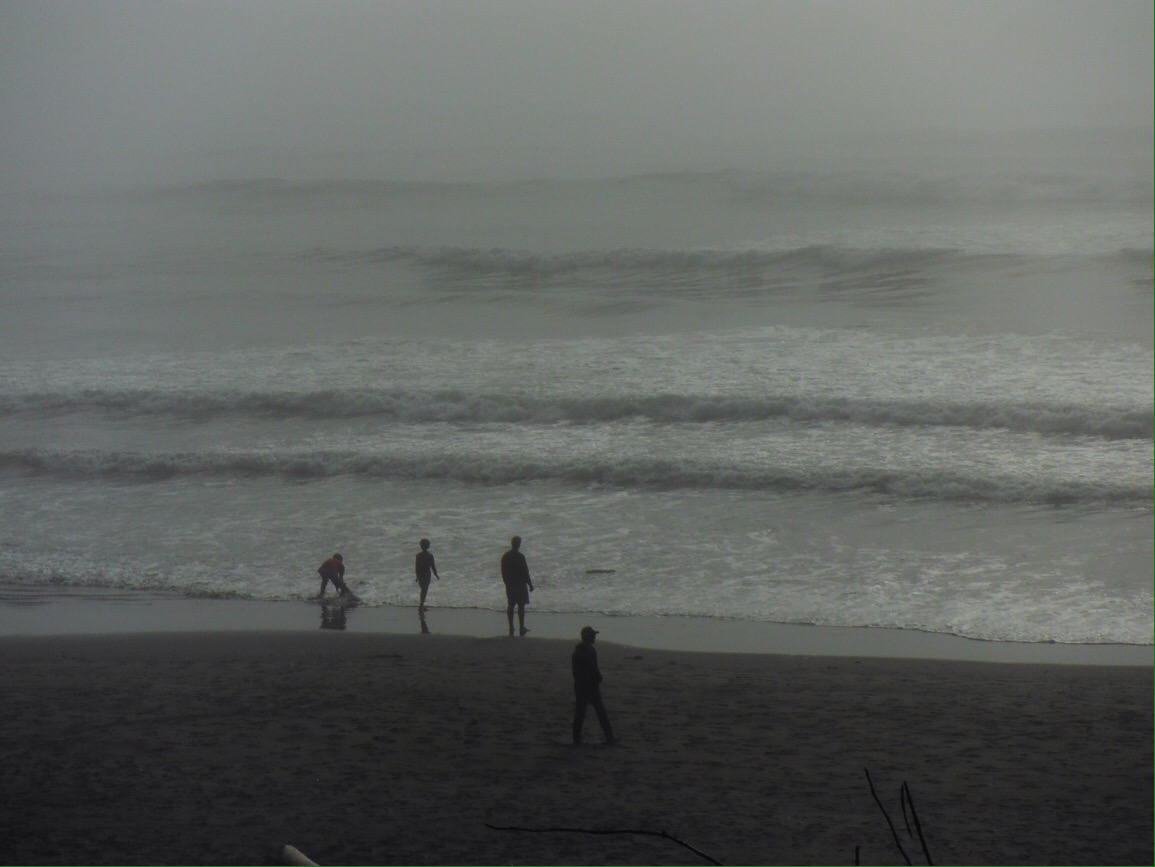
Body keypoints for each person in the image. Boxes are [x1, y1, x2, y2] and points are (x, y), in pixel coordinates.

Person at [572, 625, 615, 745]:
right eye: (592, 636)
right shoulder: (578, 652)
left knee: (601, 712)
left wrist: (598, 677)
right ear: (587, 637)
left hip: (593, 686)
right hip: (583, 687)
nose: (594, 638)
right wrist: (588, 682)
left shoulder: (591, 650)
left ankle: (610, 736)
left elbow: (595, 667)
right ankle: (576, 739)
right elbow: (577, 673)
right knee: (580, 713)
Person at [500, 535, 534, 637]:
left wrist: (506, 583)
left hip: (510, 583)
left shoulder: (505, 556)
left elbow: (503, 572)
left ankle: (511, 626)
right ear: (518, 544)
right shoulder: (520, 557)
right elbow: (525, 572)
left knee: (511, 605)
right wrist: (530, 584)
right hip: (520, 584)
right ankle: (521, 626)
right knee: (521, 605)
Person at [415, 538, 439, 609]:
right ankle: (421, 604)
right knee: (425, 589)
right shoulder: (430, 556)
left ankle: (421, 604)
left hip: (420, 574)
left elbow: (417, 567)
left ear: (420, 546)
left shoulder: (418, 555)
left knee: (423, 589)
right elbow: (432, 566)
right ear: (428, 546)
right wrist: (436, 574)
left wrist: (417, 576)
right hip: (427, 574)